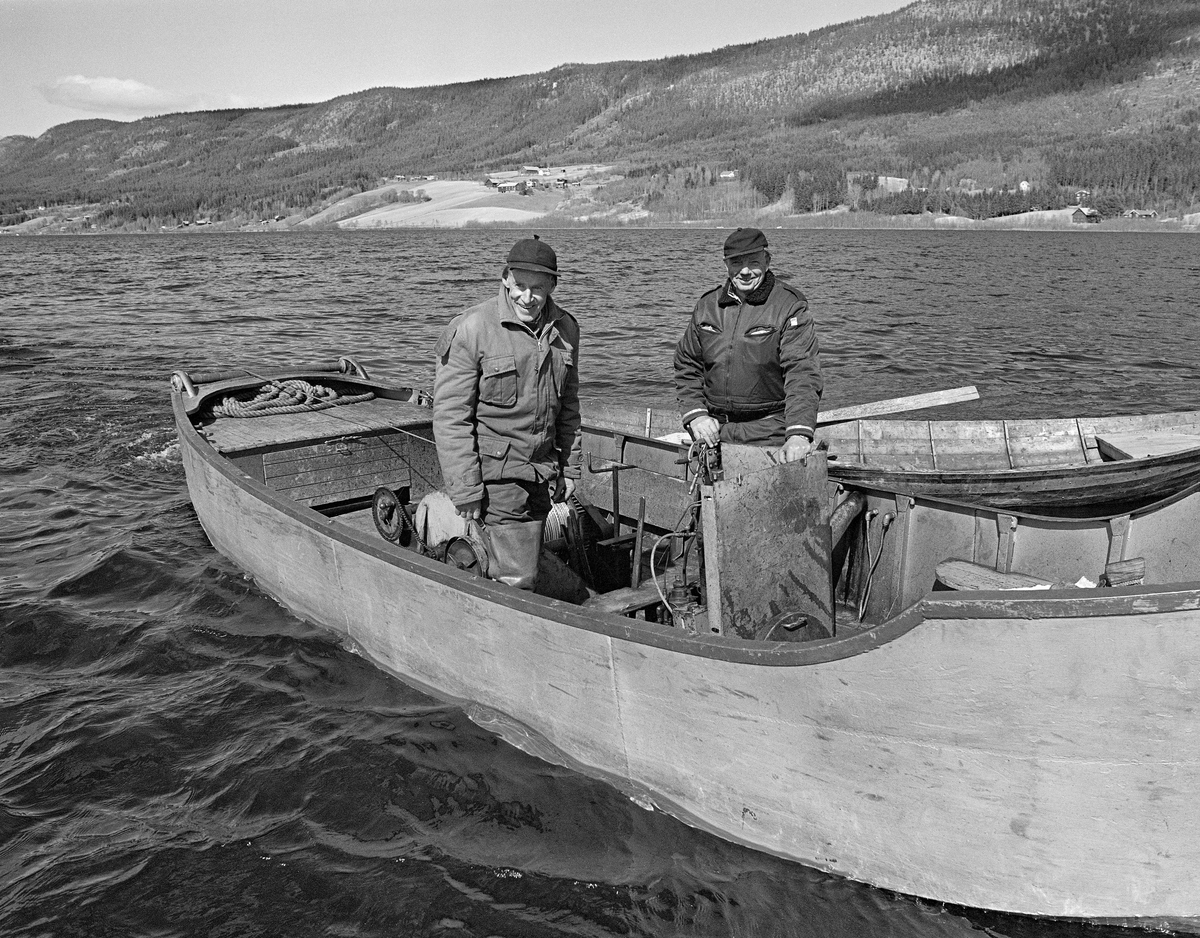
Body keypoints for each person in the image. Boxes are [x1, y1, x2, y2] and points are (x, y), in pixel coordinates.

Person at [432, 235, 581, 589]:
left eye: (537, 289)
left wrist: (568, 467)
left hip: (542, 471)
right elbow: (451, 417)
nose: (526, 298)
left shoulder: (567, 330)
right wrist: (466, 489)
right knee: (518, 577)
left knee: (529, 558)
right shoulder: (471, 329)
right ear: (505, 278)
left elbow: (569, 406)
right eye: (519, 286)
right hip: (497, 475)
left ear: (552, 287)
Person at [674, 227, 823, 463]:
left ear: (767, 261)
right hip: (712, 431)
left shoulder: (790, 305)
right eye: (736, 263)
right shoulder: (707, 306)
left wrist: (798, 434)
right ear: (726, 265)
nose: (744, 271)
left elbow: (802, 373)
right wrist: (696, 415)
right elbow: (687, 365)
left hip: (769, 432)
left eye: (753, 262)